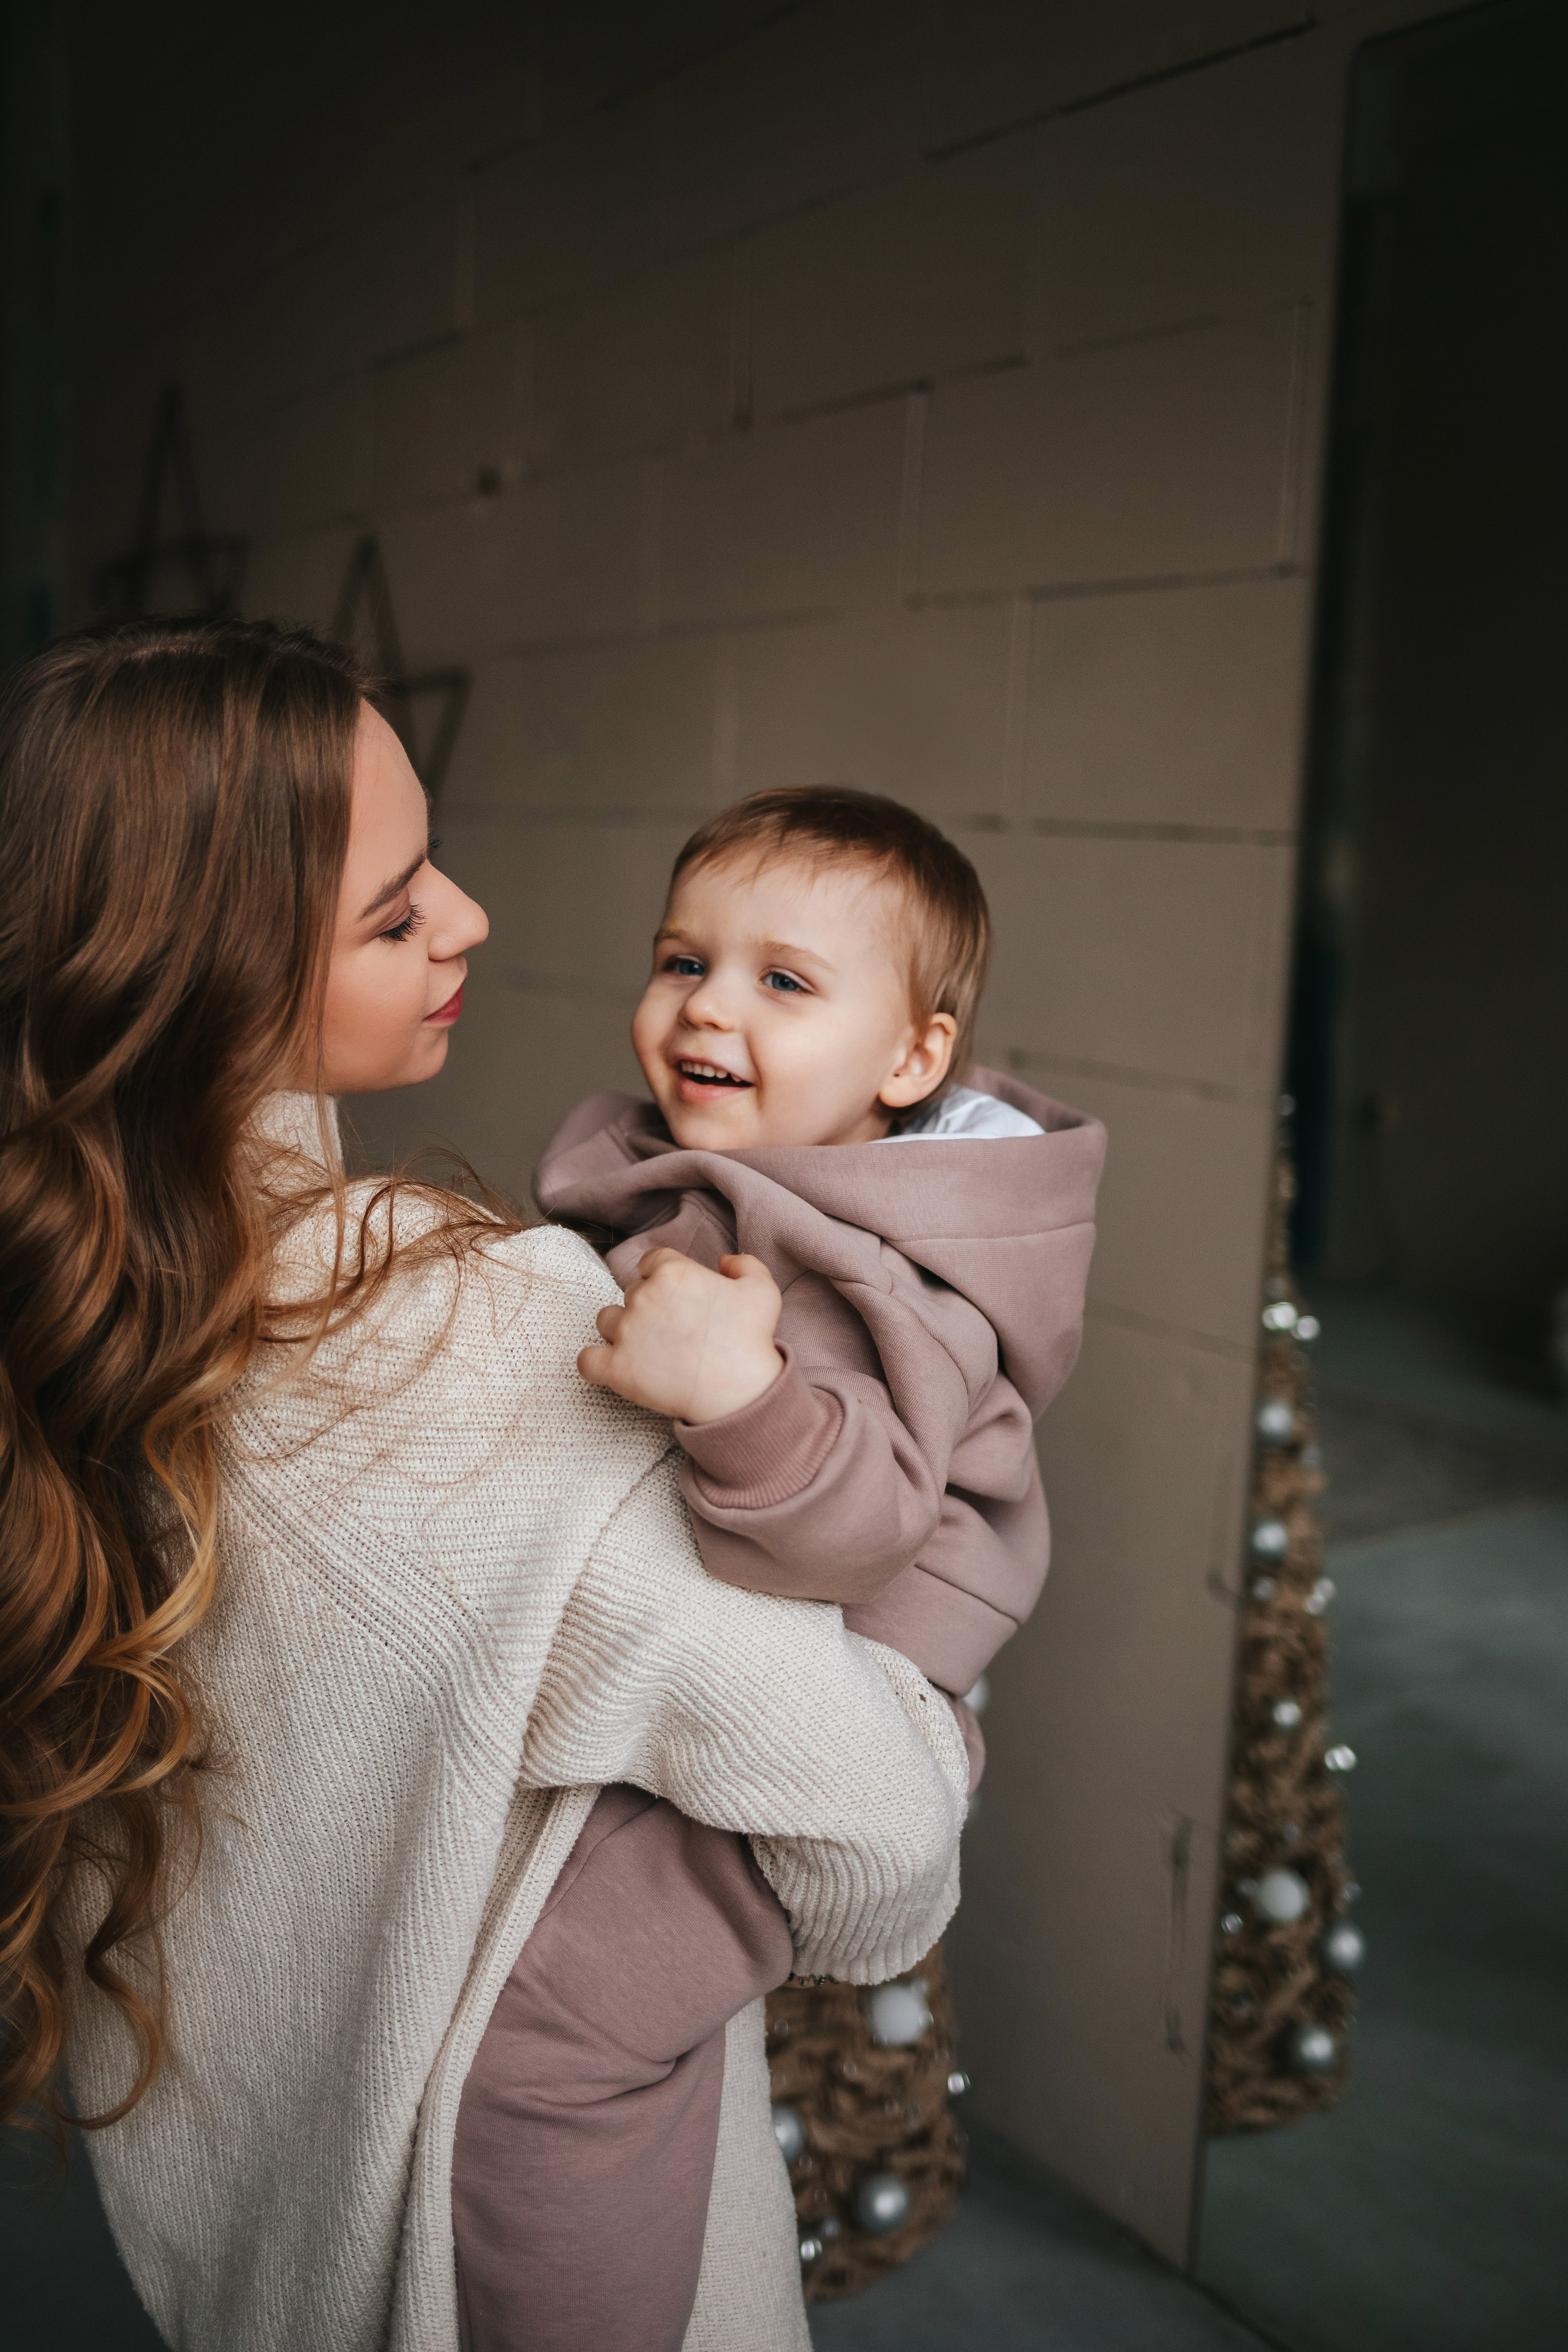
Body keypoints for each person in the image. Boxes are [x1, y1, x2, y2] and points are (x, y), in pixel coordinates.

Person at [0, 620, 967, 2352]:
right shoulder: (449, 1334)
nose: (470, 918)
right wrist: (926, 1703)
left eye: (431, 861)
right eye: (394, 915)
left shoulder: (69, 1337)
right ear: (213, 977)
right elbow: (877, 1853)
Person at [480, 787, 1104, 2331]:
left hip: (836, 1712)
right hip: (698, 1681)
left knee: (547, 2050)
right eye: (682, 960)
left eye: (782, 981)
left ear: (910, 1063)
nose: (707, 1006)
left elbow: (861, 1530)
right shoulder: (722, 1171)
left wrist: (741, 1400)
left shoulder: (893, 1267)